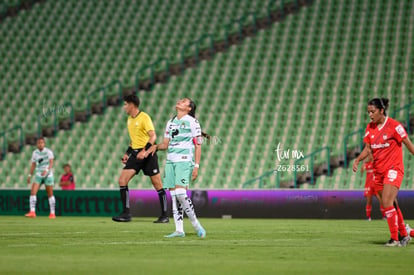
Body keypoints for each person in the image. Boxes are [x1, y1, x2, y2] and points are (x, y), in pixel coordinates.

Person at [353, 98, 414, 247]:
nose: (370, 115)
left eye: (373, 112)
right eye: (368, 112)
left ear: (381, 111)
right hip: (378, 171)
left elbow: (408, 144)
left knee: (387, 201)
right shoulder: (370, 128)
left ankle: (395, 239)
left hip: (394, 169)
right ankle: (405, 234)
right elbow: (368, 149)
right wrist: (358, 160)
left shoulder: (395, 126)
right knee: (392, 204)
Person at [153, 98, 206, 238]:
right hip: (171, 161)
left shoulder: (193, 122)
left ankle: (196, 225)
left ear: (189, 108)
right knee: (174, 196)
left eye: (183, 101)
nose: (179, 101)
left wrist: (196, 166)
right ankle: (179, 230)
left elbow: (198, 145)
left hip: (184, 161)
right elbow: (165, 144)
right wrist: (155, 147)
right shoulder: (170, 122)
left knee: (181, 194)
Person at [112, 94, 168, 223]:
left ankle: (164, 215)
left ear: (132, 105)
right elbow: (134, 140)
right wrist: (127, 153)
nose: (124, 107)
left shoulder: (144, 117)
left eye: (125, 104)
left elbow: (153, 136)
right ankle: (126, 214)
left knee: (157, 184)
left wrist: (145, 151)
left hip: (148, 154)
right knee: (122, 180)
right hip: (136, 154)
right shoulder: (129, 120)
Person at [25, 137, 56, 219]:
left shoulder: (48, 152)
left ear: (44, 144)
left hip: (48, 175)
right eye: (39, 142)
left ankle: (52, 213)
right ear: (37, 144)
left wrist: (46, 170)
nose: (40, 144)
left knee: (50, 194)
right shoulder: (35, 153)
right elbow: (33, 164)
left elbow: (51, 163)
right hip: (39, 174)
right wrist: (29, 175)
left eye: (42, 142)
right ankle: (32, 212)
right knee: (33, 192)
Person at [360, 155, 383, 221]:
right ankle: (368, 217)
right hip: (368, 185)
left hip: (376, 184)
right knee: (369, 201)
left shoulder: (376, 163)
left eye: (371, 155)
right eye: (369, 156)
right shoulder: (367, 164)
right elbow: (362, 171)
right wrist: (364, 162)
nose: (369, 157)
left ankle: (384, 216)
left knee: (381, 200)